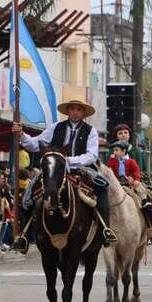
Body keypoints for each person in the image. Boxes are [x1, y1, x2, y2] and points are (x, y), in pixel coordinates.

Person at [12, 98, 117, 251]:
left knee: (102, 187)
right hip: (54, 170)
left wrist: (69, 160)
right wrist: (21, 134)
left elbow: (92, 155)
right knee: (28, 194)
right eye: (72, 109)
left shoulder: (90, 131)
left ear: (83, 113)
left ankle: (104, 229)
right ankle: (24, 234)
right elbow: (35, 144)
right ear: (68, 111)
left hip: (81, 169)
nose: (75, 112)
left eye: (78, 109)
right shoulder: (56, 127)